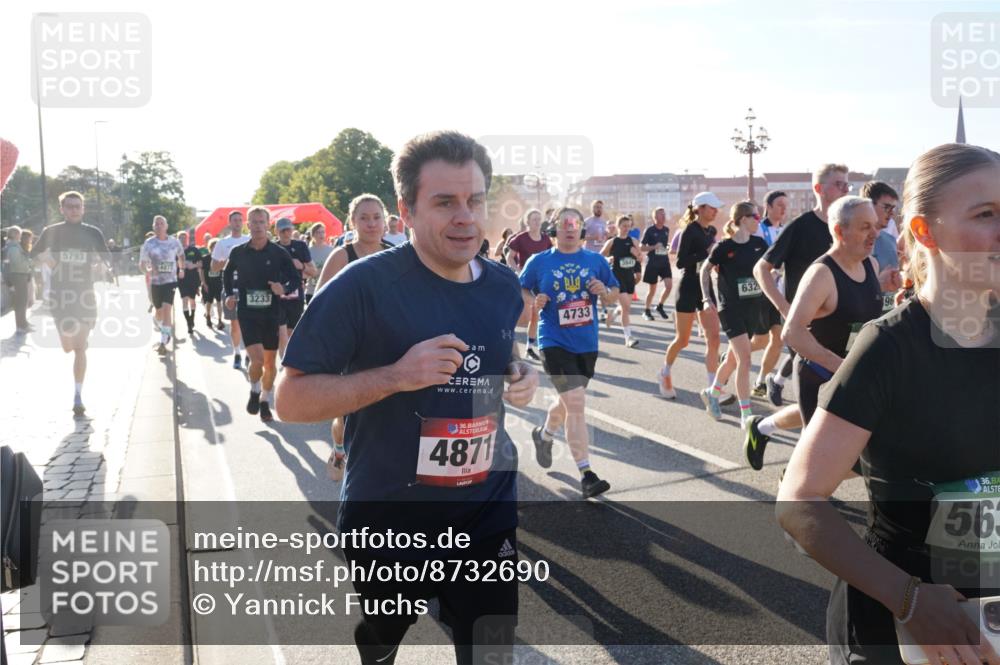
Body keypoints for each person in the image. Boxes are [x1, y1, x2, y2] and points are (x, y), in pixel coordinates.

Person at [275, 131, 537, 665]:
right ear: (407, 211)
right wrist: (395, 376)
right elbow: (290, 400)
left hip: (485, 511)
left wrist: (516, 368)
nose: (466, 217)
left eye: (475, 200)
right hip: (390, 517)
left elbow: (498, 348)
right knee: (385, 630)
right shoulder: (362, 286)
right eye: (445, 202)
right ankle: (376, 642)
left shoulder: (505, 286)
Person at [777, 143, 1000, 665]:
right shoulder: (888, 349)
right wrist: (909, 599)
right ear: (925, 231)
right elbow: (800, 502)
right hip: (900, 630)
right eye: (986, 214)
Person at [521, 206, 619, 498]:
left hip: (586, 343)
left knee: (567, 403)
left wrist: (604, 290)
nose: (569, 227)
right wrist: (534, 300)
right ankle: (587, 474)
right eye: (564, 223)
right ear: (555, 229)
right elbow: (523, 289)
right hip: (553, 341)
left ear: (581, 229)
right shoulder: (539, 262)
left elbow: (614, 292)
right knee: (576, 402)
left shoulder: (595, 260)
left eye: (574, 223)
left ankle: (544, 434)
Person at [315, 194, 394, 478]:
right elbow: (320, 305)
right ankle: (339, 448)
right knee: (348, 410)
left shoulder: (396, 255)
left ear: (385, 221)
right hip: (350, 347)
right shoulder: (342, 256)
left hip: (388, 345)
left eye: (376, 217)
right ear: (352, 222)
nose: (371, 223)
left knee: (384, 408)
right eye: (364, 217)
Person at [755, 164, 847, 408]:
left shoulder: (847, 227)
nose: (846, 189)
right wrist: (786, 309)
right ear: (819, 189)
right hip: (806, 326)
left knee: (833, 400)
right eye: (839, 184)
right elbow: (761, 269)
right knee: (819, 401)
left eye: (847, 185)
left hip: (840, 322)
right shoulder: (800, 226)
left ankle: (765, 426)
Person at [29, 191, 111, 416]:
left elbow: (107, 258)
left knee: (80, 347)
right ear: (62, 209)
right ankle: (75, 343)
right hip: (61, 296)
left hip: (85, 294)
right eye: (70, 206)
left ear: (83, 209)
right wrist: (47, 259)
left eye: (78, 206)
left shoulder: (92, 232)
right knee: (68, 346)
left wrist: (101, 265)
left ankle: (78, 395)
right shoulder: (52, 231)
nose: (74, 210)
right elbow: (33, 255)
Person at [223, 206, 300, 423]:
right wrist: (229, 294)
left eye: (261, 222)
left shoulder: (278, 253)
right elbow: (227, 274)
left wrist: (282, 288)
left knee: (270, 364)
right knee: (256, 360)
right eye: (253, 222)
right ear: (248, 225)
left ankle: (265, 400)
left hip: (271, 314)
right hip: (247, 313)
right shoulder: (238, 252)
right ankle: (255, 390)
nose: (257, 226)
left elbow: (294, 278)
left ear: (268, 225)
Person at [698, 202, 768, 426]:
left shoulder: (759, 244)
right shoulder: (724, 247)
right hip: (730, 308)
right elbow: (704, 270)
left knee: (732, 359)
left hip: (752, 307)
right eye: (756, 216)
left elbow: (768, 269)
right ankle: (746, 414)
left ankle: (713, 393)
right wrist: (707, 298)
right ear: (743, 219)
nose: (759, 220)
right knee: (745, 359)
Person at [657, 192, 725, 400]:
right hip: (687, 287)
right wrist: (707, 253)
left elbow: (710, 260)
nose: (715, 211)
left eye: (716, 208)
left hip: (705, 289)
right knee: (683, 340)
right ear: (700, 208)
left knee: (713, 339)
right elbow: (680, 262)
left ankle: (713, 388)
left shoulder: (711, 230)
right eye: (711, 207)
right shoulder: (689, 231)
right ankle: (665, 372)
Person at [751, 190, 790, 395]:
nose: (784, 208)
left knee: (778, 338)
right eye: (780, 205)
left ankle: (760, 381)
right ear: (768, 207)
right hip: (759, 292)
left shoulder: (786, 231)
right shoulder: (757, 229)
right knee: (760, 340)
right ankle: (733, 356)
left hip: (778, 293)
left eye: (786, 204)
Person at [505, 208, 552, 360]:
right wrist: (518, 270)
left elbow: (552, 257)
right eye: (534, 220)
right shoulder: (520, 238)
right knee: (517, 315)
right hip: (524, 281)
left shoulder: (546, 239)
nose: (538, 222)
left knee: (535, 314)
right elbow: (509, 257)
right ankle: (506, 345)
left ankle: (530, 348)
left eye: (539, 219)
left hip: (541, 282)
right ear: (528, 222)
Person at [139, 216, 185, 355]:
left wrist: (181, 269)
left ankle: (164, 341)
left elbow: (181, 255)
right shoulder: (149, 243)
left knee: (167, 309)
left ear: (166, 226)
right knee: (158, 312)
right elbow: (142, 263)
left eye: (161, 223)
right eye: (156, 224)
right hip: (155, 282)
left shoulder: (174, 242)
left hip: (170, 281)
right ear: (154, 227)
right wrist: (146, 270)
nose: (159, 226)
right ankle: (161, 326)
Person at [274, 218, 317, 358]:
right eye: (283, 231)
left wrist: (302, 266)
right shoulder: (272, 248)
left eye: (289, 230)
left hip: (296, 295)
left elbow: (313, 271)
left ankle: (289, 359)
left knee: (291, 333)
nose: (286, 233)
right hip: (278, 296)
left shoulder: (300, 246)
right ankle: (283, 364)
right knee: (281, 332)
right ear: (276, 232)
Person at [211, 210, 250, 369]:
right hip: (230, 286)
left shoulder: (249, 240)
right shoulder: (222, 243)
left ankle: (249, 353)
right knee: (235, 324)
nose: (238, 222)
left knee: (248, 323)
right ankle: (237, 353)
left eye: (240, 220)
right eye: (235, 220)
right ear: (230, 222)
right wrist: (228, 261)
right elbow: (213, 267)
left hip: (248, 287)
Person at [600, 214, 641, 347]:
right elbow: (600, 258)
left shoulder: (633, 241)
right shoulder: (612, 242)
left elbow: (640, 258)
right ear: (618, 227)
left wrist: (637, 256)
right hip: (617, 278)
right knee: (627, 307)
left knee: (625, 307)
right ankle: (628, 338)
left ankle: (614, 313)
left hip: (629, 277)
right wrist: (608, 259)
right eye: (624, 226)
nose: (626, 229)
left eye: (628, 226)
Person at [640, 207, 673, 321]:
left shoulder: (666, 230)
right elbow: (642, 247)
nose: (663, 216)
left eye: (664, 214)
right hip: (653, 262)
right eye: (661, 214)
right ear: (655, 217)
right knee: (652, 289)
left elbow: (664, 245)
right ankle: (647, 311)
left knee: (669, 286)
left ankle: (660, 306)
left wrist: (666, 248)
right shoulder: (649, 230)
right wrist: (654, 247)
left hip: (664, 261)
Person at [4, 227, 34, 334]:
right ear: (15, 234)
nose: (21, 236)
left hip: (20, 275)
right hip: (18, 276)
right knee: (21, 302)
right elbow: (18, 264)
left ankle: (23, 323)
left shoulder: (14, 246)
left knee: (23, 301)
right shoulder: (13, 248)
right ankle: (21, 326)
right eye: (19, 234)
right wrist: (30, 263)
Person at [177, 231, 204, 336]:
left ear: (187, 239)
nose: (182, 239)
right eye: (180, 238)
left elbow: (201, 263)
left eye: (184, 238)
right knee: (184, 301)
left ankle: (192, 318)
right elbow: (173, 264)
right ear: (178, 239)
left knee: (192, 301)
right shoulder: (176, 252)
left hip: (193, 279)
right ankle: (188, 324)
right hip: (182, 280)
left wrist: (192, 266)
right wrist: (182, 265)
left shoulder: (194, 250)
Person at [304, 222, 333, 304]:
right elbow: (304, 272)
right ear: (313, 235)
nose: (321, 235)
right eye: (318, 232)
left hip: (327, 289)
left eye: (323, 232)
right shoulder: (308, 251)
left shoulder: (331, 250)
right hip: (311, 291)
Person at [200, 238, 224, 329]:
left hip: (218, 283)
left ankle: (220, 320)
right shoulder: (206, 258)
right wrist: (203, 283)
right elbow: (202, 272)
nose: (215, 249)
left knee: (219, 301)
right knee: (209, 302)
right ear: (210, 248)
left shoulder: (222, 258)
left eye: (217, 247)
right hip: (208, 283)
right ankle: (208, 317)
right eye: (214, 247)